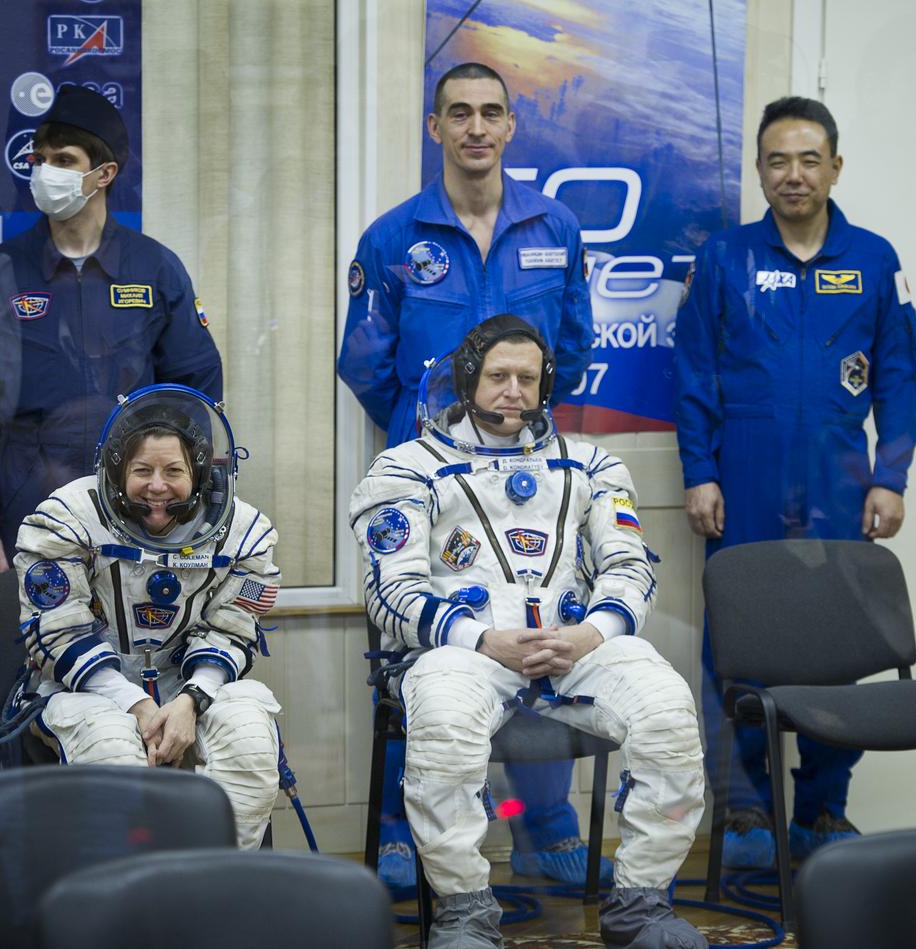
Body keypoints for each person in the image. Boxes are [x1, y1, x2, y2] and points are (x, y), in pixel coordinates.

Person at [351, 316, 706, 949]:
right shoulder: (406, 468)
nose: (513, 391)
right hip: (464, 651)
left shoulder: (591, 464)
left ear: (545, 385)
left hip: (574, 647)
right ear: (468, 380)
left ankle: (641, 903)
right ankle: (464, 911)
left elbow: (630, 568)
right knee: (444, 730)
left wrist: (592, 634)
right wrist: (481, 639)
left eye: (527, 378)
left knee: (667, 712)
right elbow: (389, 590)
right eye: (498, 376)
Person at [338, 61, 598, 889]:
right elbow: (364, 362)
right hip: (428, 481)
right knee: (414, 642)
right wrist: (435, 436)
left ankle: (540, 821)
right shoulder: (392, 238)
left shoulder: (556, 226)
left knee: (539, 633)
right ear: (436, 127)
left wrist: (513, 422)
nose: (476, 128)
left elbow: (574, 347)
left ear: (512, 125)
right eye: (459, 113)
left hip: (532, 481)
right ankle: (401, 826)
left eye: (491, 113)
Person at [673, 96, 916, 868]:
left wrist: (891, 477)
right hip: (743, 479)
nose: (794, 174)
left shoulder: (875, 260)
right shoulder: (725, 258)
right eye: (778, 160)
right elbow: (694, 374)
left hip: (839, 485)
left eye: (809, 159)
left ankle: (823, 805)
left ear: (835, 167)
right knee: (738, 645)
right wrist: (700, 472)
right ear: (758, 170)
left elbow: (899, 381)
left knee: (837, 642)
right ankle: (745, 809)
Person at [0, 85, 222, 583]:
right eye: (39, 160)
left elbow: (194, 389)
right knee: (40, 630)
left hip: (137, 506)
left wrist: (179, 494)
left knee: (141, 629)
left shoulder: (154, 269)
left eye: (63, 160)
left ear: (104, 174)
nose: (46, 172)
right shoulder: (0, 273)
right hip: (30, 504)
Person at [11, 384, 281, 850]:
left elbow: (232, 627)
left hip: (190, 687)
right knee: (111, 749)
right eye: (142, 470)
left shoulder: (244, 534)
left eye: (174, 470)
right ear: (117, 471)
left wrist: (191, 700)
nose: (157, 486)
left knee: (249, 738)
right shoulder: (64, 520)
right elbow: (60, 631)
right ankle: (131, 891)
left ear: (199, 472)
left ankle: (223, 882)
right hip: (85, 690)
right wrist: (136, 704)